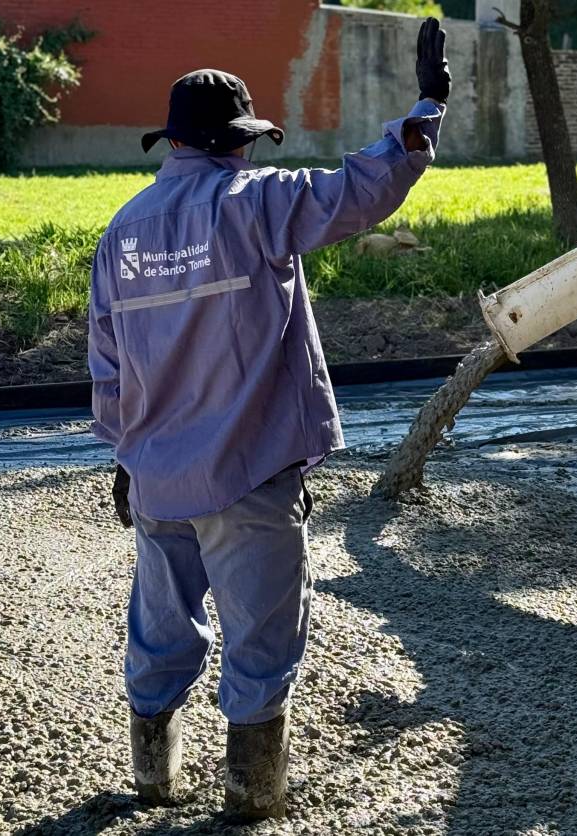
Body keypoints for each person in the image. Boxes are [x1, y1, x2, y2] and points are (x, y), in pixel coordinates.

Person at [88, 18, 450, 819]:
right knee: (262, 638)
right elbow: (363, 189)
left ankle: (152, 778)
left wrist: (125, 455)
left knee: (158, 630)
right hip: (246, 471)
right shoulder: (257, 202)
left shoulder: (122, 234)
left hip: (155, 478)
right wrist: (425, 108)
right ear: (234, 142)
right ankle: (252, 794)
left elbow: (107, 363)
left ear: (175, 143)